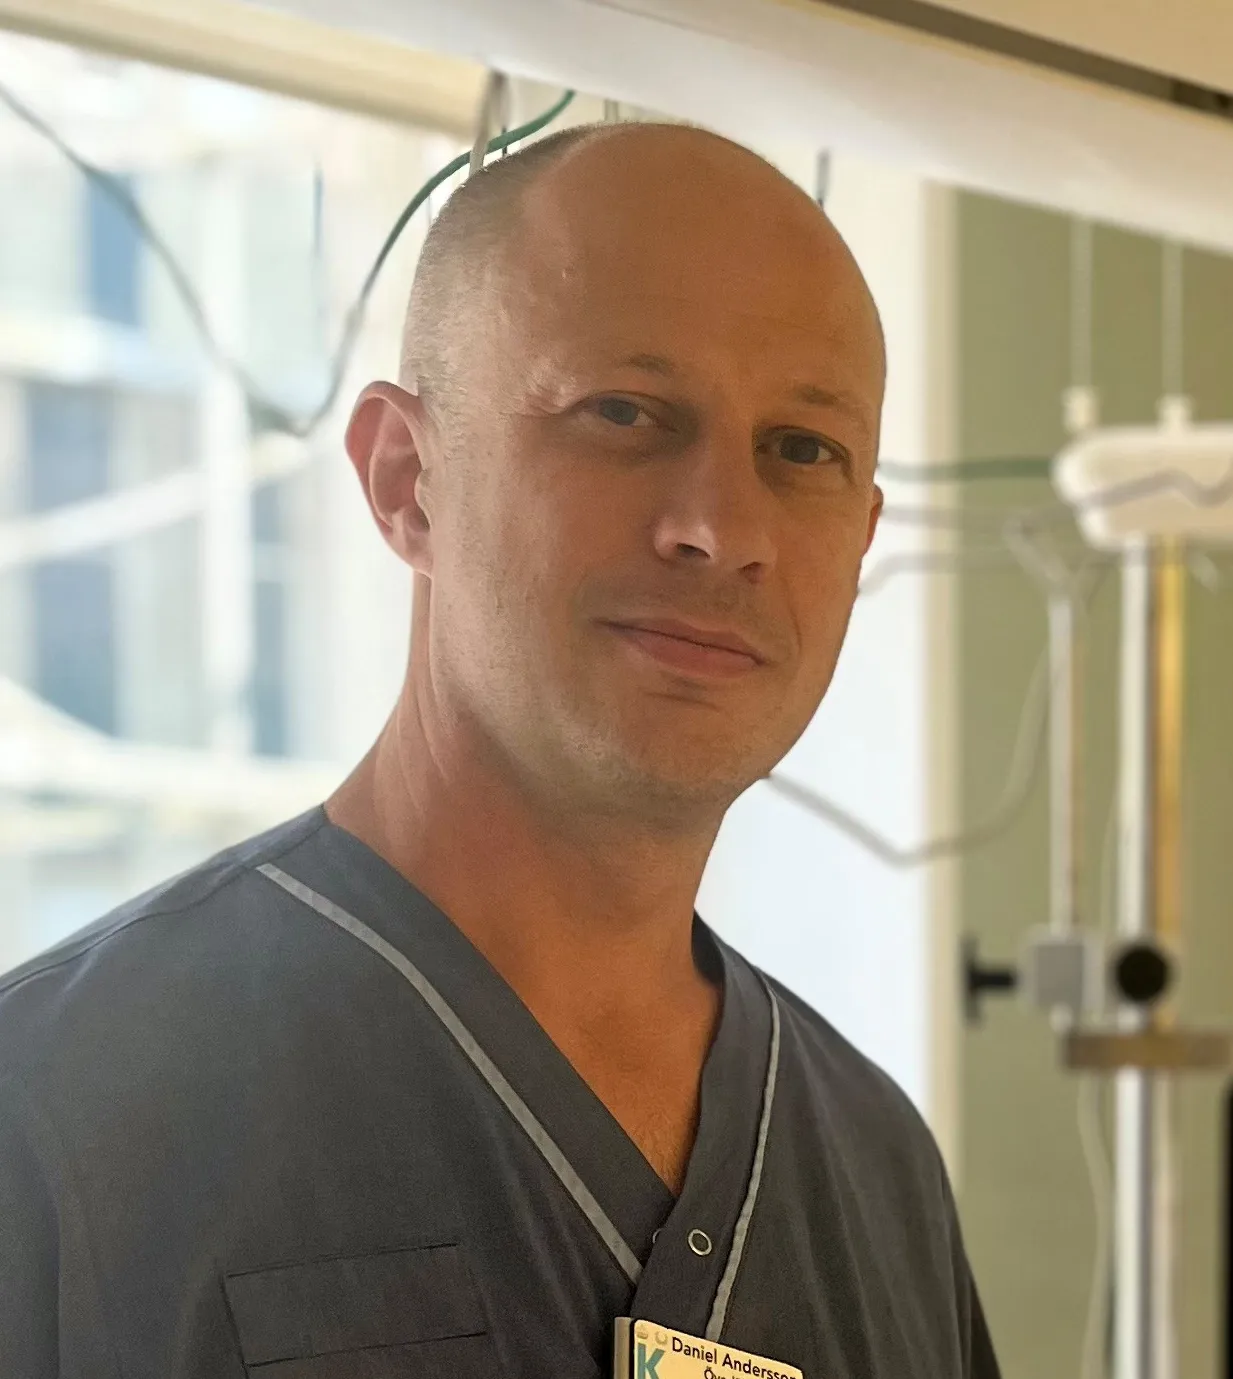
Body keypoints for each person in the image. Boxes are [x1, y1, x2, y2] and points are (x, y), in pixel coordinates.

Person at [0, 120, 1001, 1379]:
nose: (722, 527)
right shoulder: (61, 1115)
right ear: (407, 478)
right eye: (625, 411)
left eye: (803, 449)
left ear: (861, 536)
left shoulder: (873, 1169)